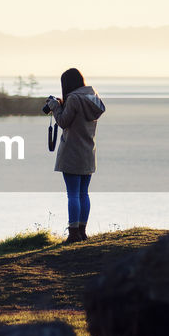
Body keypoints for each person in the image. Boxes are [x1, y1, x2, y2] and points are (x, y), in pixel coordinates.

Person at [44, 68, 105, 243]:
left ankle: (73, 233)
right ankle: (82, 231)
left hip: (71, 152)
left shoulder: (74, 99)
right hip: (88, 151)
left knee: (72, 194)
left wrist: (55, 107)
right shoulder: (93, 97)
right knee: (84, 194)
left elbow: (63, 122)